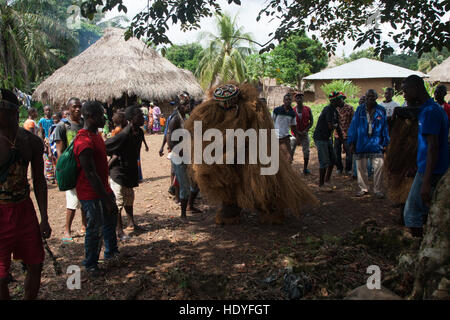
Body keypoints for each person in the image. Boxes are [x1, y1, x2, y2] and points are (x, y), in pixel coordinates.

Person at [0, 88, 51, 300]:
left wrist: (44, 218)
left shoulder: (30, 142)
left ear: (12, 112)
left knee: (35, 263)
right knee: (1, 274)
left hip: (24, 210)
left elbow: (39, 181)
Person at [73, 101, 119, 276]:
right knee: (94, 229)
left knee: (109, 223)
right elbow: (91, 174)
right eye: (101, 115)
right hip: (91, 194)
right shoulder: (83, 140)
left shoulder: (96, 135)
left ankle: (111, 253)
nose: (104, 118)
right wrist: (106, 199)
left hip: (103, 190)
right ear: (90, 117)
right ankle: (91, 263)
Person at [402, 75, 449, 238]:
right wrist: (416, 167)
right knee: (431, 209)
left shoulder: (429, 112)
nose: (404, 95)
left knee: (411, 212)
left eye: (406, 90)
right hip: (430, 169)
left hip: (432, 171)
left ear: (415, 89)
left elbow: (433, 148)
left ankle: (417, 247)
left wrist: (426, 182)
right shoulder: (432, 109)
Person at [106, 106, 146, 240]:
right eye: (139, 116)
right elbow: (107, 145)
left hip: (129, 171)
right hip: (118, 172)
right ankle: (119, 231)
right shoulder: (123, 134)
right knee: (118, 202)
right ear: (131, 119)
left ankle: (131, 223)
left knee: (129, 198)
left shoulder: (139, 132)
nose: (143, 118)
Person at [53, 98, 87, 243]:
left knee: (85, 198)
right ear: (69, 108)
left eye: (79, 107)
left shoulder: (84, 124)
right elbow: (60, 151)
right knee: (72, 201)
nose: (78, 109)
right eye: (74, 107)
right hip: (71, 168)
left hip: (85, 167)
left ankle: (84, 226)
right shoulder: (62, 126)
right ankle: (67, 230)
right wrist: (62, 170)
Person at [348, 89, 390, 198]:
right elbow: (354, 126)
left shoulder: (381, 110)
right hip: (361, 143)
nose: (370, 99)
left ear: (376, 98)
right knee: (361, 167)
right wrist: (352, 142)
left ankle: (378, 190)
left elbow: (385, 127)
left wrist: (385, 141)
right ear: (365, 98)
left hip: (376, 143)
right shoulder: (360, 110)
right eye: (368, 97)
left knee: (379, 167)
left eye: (372, 97)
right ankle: (363, 188)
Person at [167, 94, 202, 219]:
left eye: (188, 104)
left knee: (195, 183)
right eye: (185, 105)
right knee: (184, 186)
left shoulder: (185, 117)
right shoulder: (175, 119)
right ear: (179, 106)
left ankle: (190, 206)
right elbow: (169, 138)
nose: (187, 107)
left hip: (187, 155)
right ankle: (183, 215)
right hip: (179, 156)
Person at [313, 91, 344, 189]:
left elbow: (337, 127)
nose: (342, 101)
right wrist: (336, 126)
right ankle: (321, 184)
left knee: (333, 160)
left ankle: (327, 180)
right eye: (340, 99)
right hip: (321, 138)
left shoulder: (335, 111)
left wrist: (342, 140)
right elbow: (331, 125)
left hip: (327, 137)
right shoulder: (328, 109)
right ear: (335, 101)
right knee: (324, 161)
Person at [290, 92, 314, 174]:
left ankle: (305, 169)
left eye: (301, 97)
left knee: (306, 151)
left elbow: (311, 121)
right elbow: (290, 123)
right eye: (297, 98)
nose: (299, 99)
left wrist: (306, 130)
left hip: (304, 133)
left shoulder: (308, 109)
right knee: (291, 150)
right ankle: (289, 169)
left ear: (303, 99)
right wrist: (297, 133)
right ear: (295, 100)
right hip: (294, 134)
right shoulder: (292, 110)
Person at [272, 93, 299, 163]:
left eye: (289, 100)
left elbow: (293, 126)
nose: (288, 101)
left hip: (285, 138)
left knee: (288, 159)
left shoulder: (292, 113)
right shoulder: (277, 110)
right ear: (283, 101)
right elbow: (271, 122)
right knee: (275, 159)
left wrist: (297, 137)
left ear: (291, 101)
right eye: (286, 99)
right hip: (275, 137)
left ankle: (287, 173)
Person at [333, 94, 354, 176]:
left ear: (343, 99)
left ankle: (348, 169)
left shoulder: (350, 108)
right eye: (337, 100)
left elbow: (353, 121)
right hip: (337, 134)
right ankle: (339, 168)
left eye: (340, 99)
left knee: (349, 152)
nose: (338, 101)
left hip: (347, 134)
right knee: (336, 152)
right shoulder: (335, 109)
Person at [434, 84, 450, 158]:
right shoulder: (431, 107)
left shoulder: (448, 108)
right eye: (435, 92)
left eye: (439, 92)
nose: (436, 94)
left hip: (443, 138)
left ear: (444, 94)